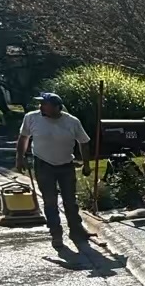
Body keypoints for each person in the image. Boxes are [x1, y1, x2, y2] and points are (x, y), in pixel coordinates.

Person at [16, 93, 91, 250]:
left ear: (57, 107)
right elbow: (23, 138)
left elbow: (84, 142)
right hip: (43, 164)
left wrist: (86, 164)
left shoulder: (72, 121)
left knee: (70, 200)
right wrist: (20, 158)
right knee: (50, 201)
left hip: (66, 165)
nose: (41, 107)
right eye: (41, 104)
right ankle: (56, 233)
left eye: (45, 104)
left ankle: (76, 230)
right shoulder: (31, 118)